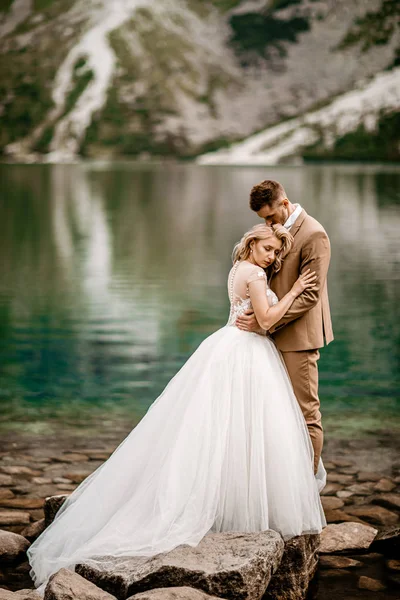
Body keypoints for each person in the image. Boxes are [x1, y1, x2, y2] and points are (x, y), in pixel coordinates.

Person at [28, 223, 326, 596]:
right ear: (252, 245)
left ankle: (234, 505)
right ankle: (241, 510)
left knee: (234, 427)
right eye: (268, 250)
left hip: (234, 347)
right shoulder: (251, 272)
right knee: (244, 426)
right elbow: (265, 321)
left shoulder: (239, 268)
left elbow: (256, 317)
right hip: (245, 353)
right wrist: (296, 289)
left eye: (276, 253)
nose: (272, 258)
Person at [236, 180, 334, 474]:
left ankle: (308, 489)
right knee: (279, 413)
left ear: (284, 203)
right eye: (262, 220)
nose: (267, 223)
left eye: (270, 217)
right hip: (269, 334)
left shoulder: (315, 234)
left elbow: (310, 295)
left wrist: (267, 320)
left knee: (306, 414)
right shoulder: (274, 233)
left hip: (299, 338)